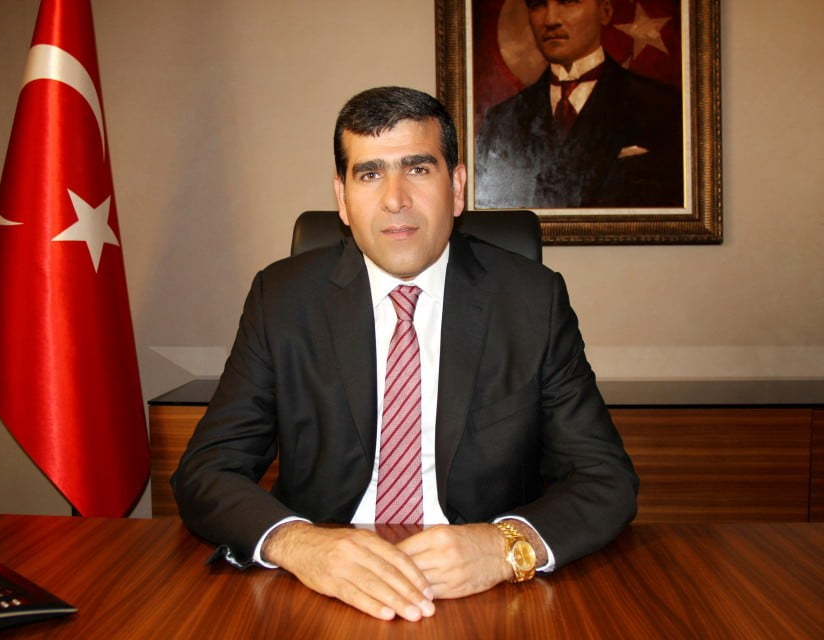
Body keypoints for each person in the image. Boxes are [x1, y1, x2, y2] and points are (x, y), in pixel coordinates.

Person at [172, 86, 638, 622]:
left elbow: (605, 479)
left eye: (417, 169)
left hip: (487, 597)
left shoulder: (531, 301)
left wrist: (504, 546)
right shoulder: (281, 299)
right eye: (370, 174)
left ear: (456, 188)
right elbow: (206, 470)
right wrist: (299, 543)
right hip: (322, 591)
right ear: (342, 198)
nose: (395, 198)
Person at [475, 0, 683, 209]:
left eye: (568, 1)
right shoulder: (502, 120)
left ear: (605, 11)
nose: (550, 20)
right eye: (537, 5)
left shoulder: (662, 106)